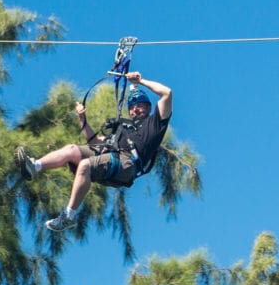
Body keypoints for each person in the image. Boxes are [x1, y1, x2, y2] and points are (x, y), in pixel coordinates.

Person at [14, 71, 172, 232]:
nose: (135, 110)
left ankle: (68, 216)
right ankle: (34, 166)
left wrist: (141, 81)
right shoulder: (124, 129)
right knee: (71, 150)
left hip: (127, 164)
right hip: (113, 156)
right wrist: (82, 119)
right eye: (132, 107)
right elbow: (95, 142)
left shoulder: (155, 124)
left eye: (140, 105)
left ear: (149, 107)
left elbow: (166, 93)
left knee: (85, 165)